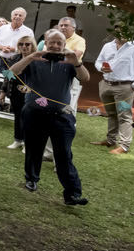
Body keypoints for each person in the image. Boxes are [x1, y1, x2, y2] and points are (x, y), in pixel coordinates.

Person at [8, 30, 91, 205]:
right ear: (45, 42)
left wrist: (76, 63)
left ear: (64, 44)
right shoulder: (34, 59)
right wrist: (31, 57)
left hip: (62, 116)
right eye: (51, 42)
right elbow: (11, 73)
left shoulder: (70, 62)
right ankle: (31, 179)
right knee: (33, 148)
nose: (55, 45)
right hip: (34, 113)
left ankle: (72, 193)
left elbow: (86, 77)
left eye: (59, 42)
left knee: (64, 154)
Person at [94, 36, 134, 153]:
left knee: (124, 115)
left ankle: (124, 145)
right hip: (106, 85)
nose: (121, 32)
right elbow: (98, 61)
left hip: (125, 87)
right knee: (111, 113)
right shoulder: (108, 46)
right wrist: (101, 68)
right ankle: (110, 140)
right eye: (118, 29)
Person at [4, 35, 37, 152]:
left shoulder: (36, 59)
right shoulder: (14, 58)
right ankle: (17, 140)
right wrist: (3, 92)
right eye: (21, 44)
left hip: (30, 93)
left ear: (32, 45)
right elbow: (8, 76)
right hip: (15, 91)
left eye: (27, 44)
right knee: (18, 116)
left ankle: (27, 143)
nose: (24, 47)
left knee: (29, 118)